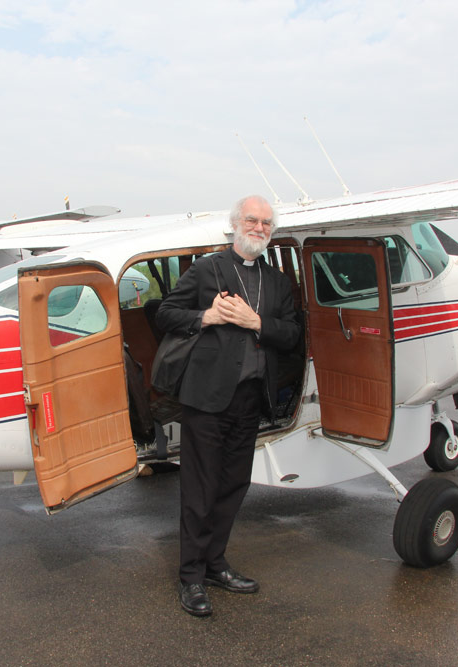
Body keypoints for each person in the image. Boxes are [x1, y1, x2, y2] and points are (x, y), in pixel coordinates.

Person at [155, 194, 300, 617]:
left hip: (251, 399)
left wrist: (257, 323)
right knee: (200, 489)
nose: (259, 228)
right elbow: (164, 313)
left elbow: (291, 334)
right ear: (235, 224)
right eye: (252, 220)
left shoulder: (275, 282)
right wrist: (207, 318)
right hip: (207, 400)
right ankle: (191, 576)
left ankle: (216, 564)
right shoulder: (207, 270)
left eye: (266, 224)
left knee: (234, 486)